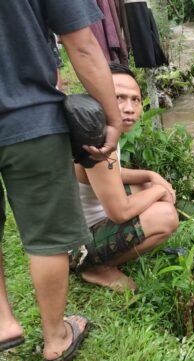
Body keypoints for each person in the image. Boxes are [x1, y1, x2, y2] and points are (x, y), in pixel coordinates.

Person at [0, 0, 122, 361]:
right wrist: (111, 117)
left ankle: (3, 321)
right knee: (47, 237)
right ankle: (56, 337)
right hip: (31, 119)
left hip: (31, 118)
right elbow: (82, 44)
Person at [71, 63, 179, 293]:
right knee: (166, 215)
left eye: (135, 100)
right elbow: (119, 212)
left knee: (146, 184)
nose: (129, 108)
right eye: (119, 97)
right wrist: (160, 191)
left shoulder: (103, 127)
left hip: (82, 224)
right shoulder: (98, 140)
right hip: (74, 245)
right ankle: (96, 266)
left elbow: (110, 175)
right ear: (99, 98)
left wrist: (152, 176)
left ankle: (104, 255)